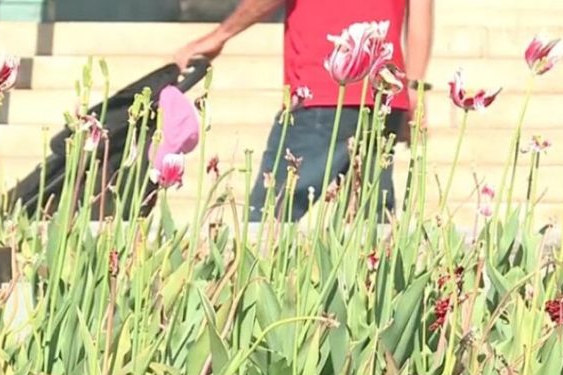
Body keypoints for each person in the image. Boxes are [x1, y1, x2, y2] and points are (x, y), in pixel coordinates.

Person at [175, 0, 434, 222]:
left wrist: (220, 34)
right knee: (368, 231)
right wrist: (413, 90)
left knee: (268, 220)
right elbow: (421, 12)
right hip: (383, 93)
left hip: (322, 89)